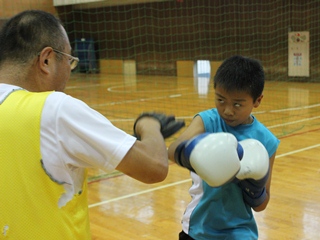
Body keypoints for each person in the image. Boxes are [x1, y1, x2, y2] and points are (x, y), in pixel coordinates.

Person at [0, 10, 184, 239]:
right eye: (69, 60)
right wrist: (149, 125)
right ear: (46, 60)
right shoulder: (54, 109)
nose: (69, 70)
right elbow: (154, 166)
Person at [168, 55, 280, 240]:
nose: (227, 110)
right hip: (198, 227)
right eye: (220, 100)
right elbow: (173, 151)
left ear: (257, 100)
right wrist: (197, 152)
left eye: (237, 104)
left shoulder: (267, 141)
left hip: (241, 232)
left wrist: (254, 188)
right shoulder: (207, 120)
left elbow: (261, 205)